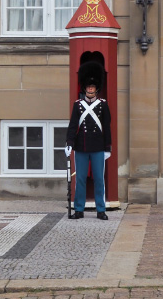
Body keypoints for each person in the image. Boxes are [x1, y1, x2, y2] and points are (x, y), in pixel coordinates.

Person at [65, 60, 111, 220]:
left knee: (99, 179)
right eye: (88, 86)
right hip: (82, 147)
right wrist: (69, 143)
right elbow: (72, 126)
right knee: (81, 179)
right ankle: (79, 209)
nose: (90, 89)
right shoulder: (78, 105)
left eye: (93, 87)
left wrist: (108, 148)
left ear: (96, 88)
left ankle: (101, 209)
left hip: (98, 147)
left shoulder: (103, 105)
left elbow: (107, 127)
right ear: (84, 88)